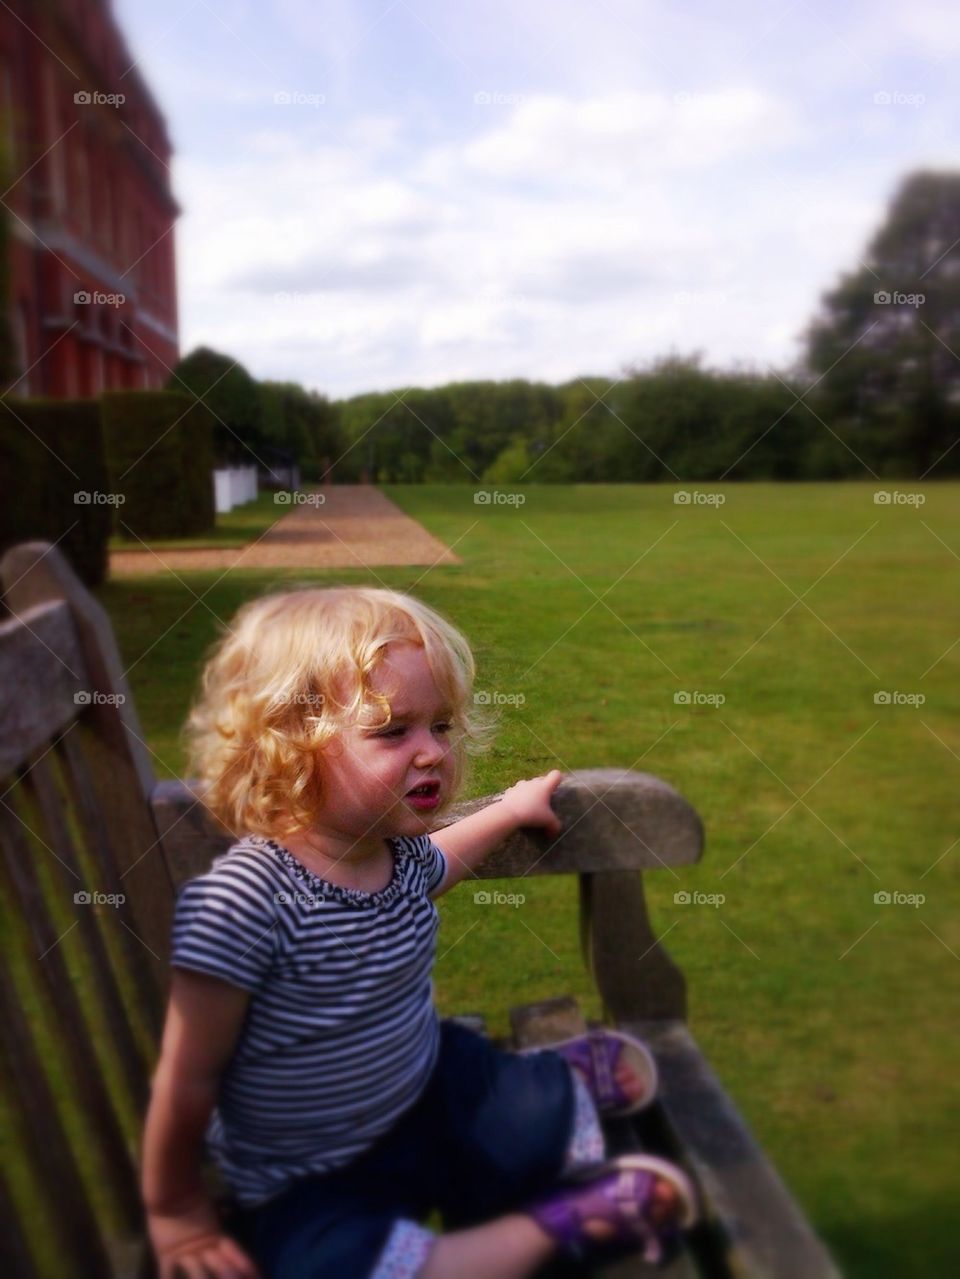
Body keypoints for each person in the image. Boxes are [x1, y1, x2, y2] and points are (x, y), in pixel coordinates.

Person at [141, 586, 698, 1278]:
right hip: (307, 1175)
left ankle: (558, 1083)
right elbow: (186, 1076)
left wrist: (511, 808)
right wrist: (172, 1207)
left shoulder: (394, 854)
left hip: (421, 1087)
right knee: (329, 1265)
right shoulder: (245, 901)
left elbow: (449, 855)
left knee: (512, 1116)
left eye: (440, 726)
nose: (432, 752)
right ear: (289, 746)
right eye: (393, 731)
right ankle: (559, 1224)